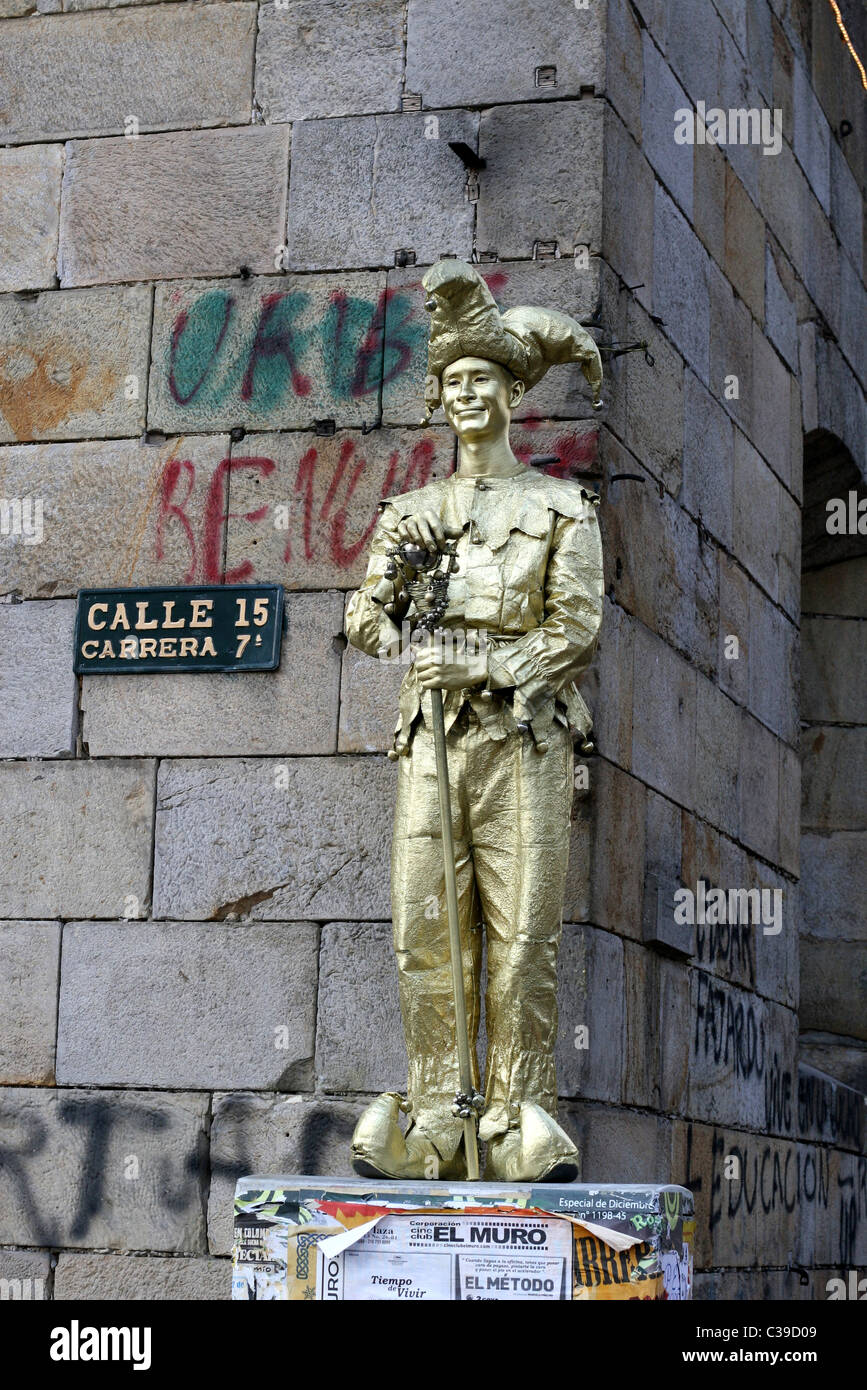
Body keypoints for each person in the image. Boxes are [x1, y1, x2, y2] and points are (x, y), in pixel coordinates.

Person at [345, 259, 604, 1182]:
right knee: (425, 929)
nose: (466, 394)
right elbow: (364, 616)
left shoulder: (560, 505)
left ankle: (516, 1118)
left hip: (525, 738)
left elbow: (575, 627)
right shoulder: (411, 511)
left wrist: (485, 659)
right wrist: (400, 617)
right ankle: (434, 1121)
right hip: (429, 743)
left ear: (511, 393)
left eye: (482, 380)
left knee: (522, 932)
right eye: (452, 381)